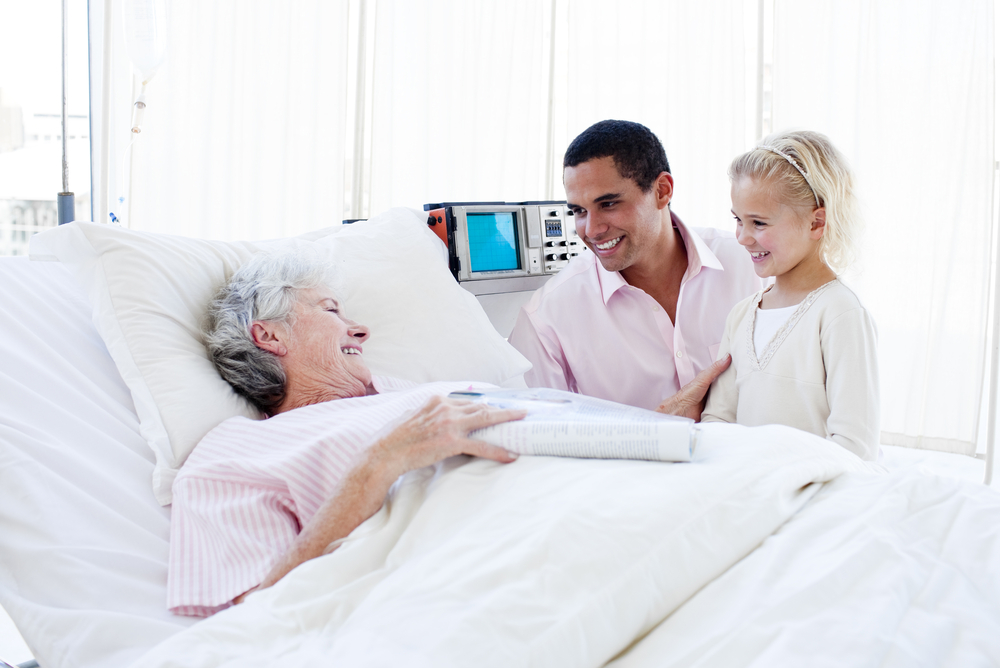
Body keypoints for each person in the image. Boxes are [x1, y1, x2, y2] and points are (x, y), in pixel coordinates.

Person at [166, 252, 528, 617]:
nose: (361, 330)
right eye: (331, 310)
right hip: (496, 550)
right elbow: (257, 613)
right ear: (269, 334)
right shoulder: (234, 454)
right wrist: (380, 462)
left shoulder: (399, 392)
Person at [508, 120, 763, 414]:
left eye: (608, 204)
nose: (591, 229)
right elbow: (538, 438)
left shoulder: (752, 266)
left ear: (662, 191)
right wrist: (658, 428)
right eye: (578, 211)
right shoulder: (546, 318)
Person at [701, 130, 880, 460]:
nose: (741, 237)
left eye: (759, 223)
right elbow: (718, 420)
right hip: (747, 492)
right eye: (738, 220)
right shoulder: (741, 315)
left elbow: (854, 446)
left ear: (816, 223)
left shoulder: (840, 314)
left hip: (811, 502)